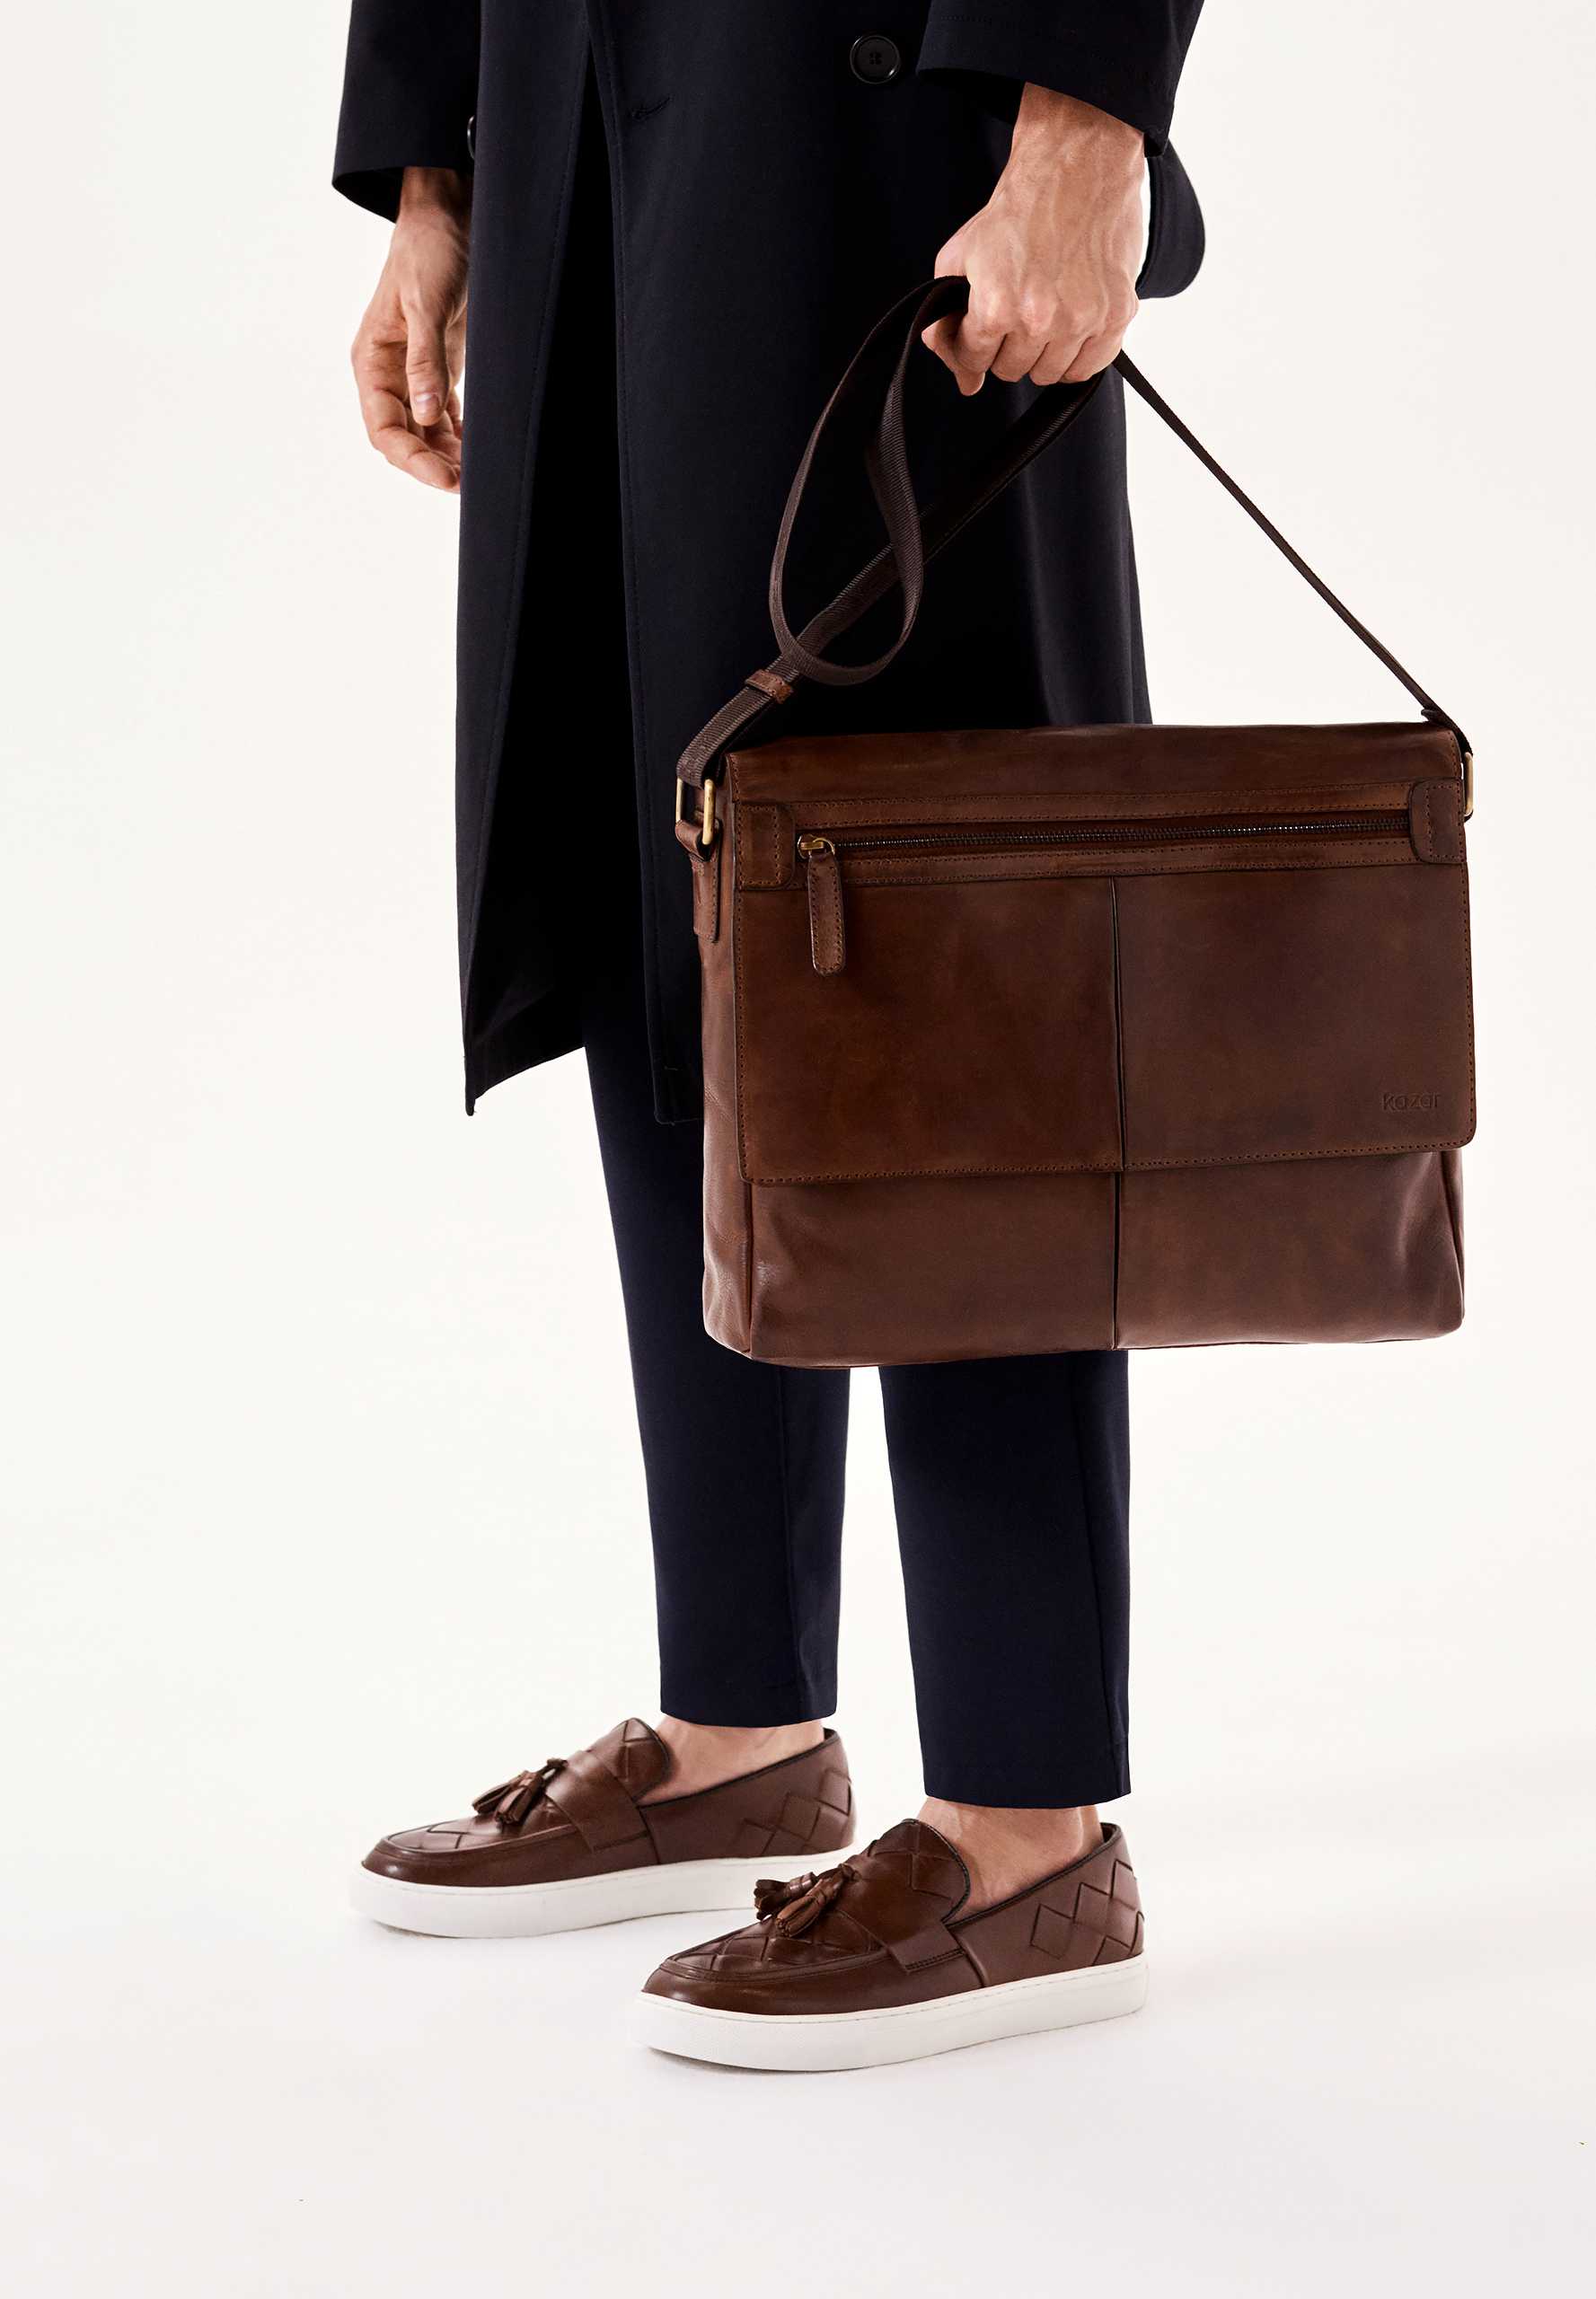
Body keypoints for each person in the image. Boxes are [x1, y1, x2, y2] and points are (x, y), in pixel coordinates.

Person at [336, 2, 1206, 2070]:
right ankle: (737, 1720)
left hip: (894, 103)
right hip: (568, 90)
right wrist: (442, 164)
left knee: (942, 933)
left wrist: (1083, 115)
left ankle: (1025, 1814)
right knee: (661, 864)